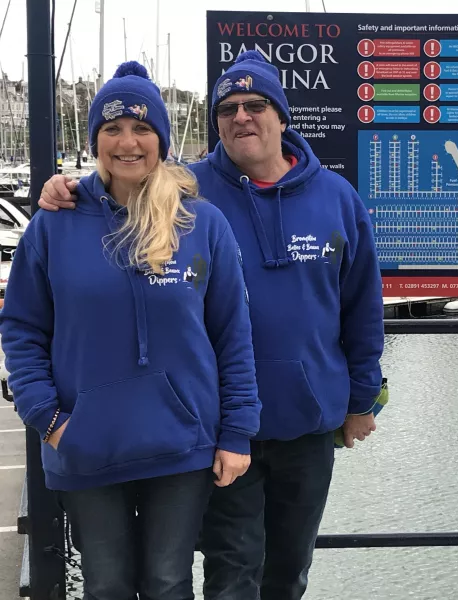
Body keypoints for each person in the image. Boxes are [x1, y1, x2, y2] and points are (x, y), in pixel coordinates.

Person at [38, 50, 385, 600]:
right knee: (231, 572)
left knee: (291, 569)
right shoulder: (186, 192)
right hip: (216, 425)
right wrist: (66, 188)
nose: (241, 116)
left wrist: (363, 400)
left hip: (307, 421)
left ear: (282, 114)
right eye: (227, 108)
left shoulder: (337, 198)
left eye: (255, 104)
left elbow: (363, 308)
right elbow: (121, 184)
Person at [1, 62, 261, 599]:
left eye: (142, 128)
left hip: (182, 441)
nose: (127, 142)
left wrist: (236, 432)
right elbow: (22, 328)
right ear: (95, 138)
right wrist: (48, 419)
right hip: (85, 442)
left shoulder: (202, 223)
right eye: (112, 128)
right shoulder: (54, 223)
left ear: (161, 139)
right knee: (107, 585)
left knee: (168, 583)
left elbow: (232, 334)